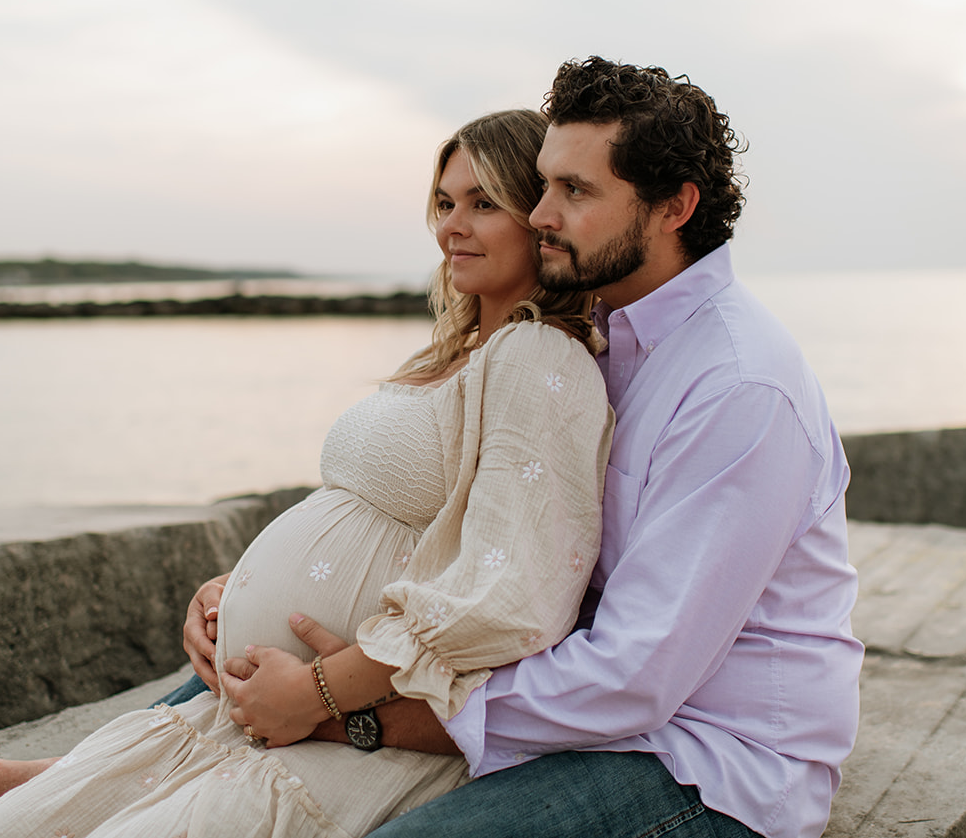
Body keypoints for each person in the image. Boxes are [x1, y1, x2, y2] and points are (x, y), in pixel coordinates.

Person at [0, 109, 614, 838]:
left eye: (482, 202)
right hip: (251, 710)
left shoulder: (539, 358)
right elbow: (367, 513)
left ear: (542, 218)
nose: (451, 227)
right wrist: (232, 592)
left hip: (346, 738)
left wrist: (316, 688)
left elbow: (507, 596)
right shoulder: (456, 351)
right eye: (444, 202)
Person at [222, 57, 863, 838]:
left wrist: (352, 708)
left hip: (707, 759)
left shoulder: (739, 387)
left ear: (673, 206)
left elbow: (635, 678)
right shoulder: (591, 337)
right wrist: (251, 598)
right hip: (583, 707)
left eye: (575, 191)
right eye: (544, 184)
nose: (540, 214)